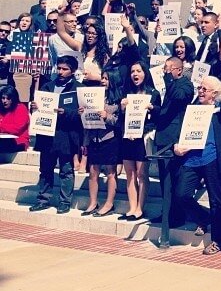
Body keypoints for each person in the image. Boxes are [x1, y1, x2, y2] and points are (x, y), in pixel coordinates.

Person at [174, 76, 221, 255]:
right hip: (192, 159)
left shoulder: (220, 111)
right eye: (200, 88)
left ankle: (217, 240)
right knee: (181, 195)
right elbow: (180, 132)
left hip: (213, 159)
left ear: (214, 94)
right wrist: (177, 146)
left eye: (205, 89)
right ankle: (204, 217)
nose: (200, 92)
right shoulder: (192, 111)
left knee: (217, 202)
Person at [29, 55, 82, 214]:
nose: (60, 71)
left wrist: (66, 113)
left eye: (64, 69)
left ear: (72, 71)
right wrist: (35, 107)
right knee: (45, 169)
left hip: (66, 136)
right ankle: (43, 199)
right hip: (47, 135)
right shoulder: (47, 86)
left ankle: (64, 201)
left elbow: (82, 114)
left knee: (66, 170)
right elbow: (38, 109)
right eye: (58, 68)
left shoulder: (79, 89)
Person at [153, 57, 195, 241]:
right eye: (164, 68)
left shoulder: (185, 84)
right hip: (163, 136)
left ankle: (177, 216)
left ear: (178, 70)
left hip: (174, 139)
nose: (165, 72)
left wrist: (168, 79)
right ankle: (167, 213)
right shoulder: (167, 83)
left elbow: (180, 98)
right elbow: (165, 109)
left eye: (169, 69)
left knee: (174, 180)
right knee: (164, 180)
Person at [119, 61, 161, 221]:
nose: (135, 74)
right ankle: (131, 207)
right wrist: (122, 108)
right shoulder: (127, 94)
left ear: (145, 73)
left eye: (138, 71)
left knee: (142, 174)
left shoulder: (153, 94)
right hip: (127, 136)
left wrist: (152, 108)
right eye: (132, 71)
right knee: (130, 173)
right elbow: (121, 118)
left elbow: (158, 117)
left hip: (142, 138)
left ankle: (139, 208)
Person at [81, 69, 122, 217]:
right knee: (93, 171)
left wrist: (107, 116)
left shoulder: (118, 101)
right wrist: (83, 112)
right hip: (94, 137)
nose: (103, 81)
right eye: (102, 78)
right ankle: (93, 203)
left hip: (110, 138)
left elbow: (119, 122)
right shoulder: (95, 96)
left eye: (106, 78)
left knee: (110, 172)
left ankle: (109, 204)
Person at [0, 86, 30, 153]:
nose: (5, 101)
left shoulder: (21, 108)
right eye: (3, 98)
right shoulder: (2, 109)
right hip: (3, 139)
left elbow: (17, 128)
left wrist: (1, 126)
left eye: (8, 98)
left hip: (19, 141)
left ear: (13, 98)